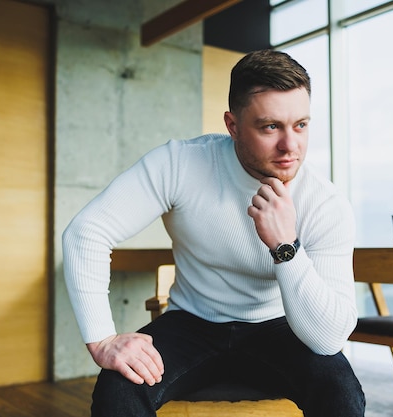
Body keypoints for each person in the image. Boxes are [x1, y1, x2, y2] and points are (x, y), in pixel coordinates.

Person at [63, 49, 365, 417]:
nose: (291, 146)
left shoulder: (325, 203)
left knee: (342, 393)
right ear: (232, 125)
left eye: (300, 125)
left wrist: (286, 246)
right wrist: (103, 340)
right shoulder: (180, 164)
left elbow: (328, 339)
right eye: (271, 127)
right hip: (190, 324)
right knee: (118, 389)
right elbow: (87, 231)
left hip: (279, 327)